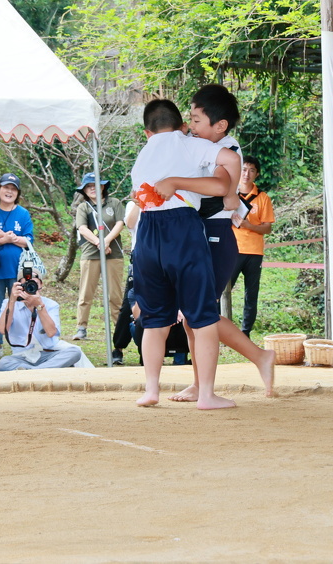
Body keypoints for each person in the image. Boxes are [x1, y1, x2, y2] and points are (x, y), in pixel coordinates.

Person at [166, 86, 276, 402]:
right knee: (192, 315)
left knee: (200, 314)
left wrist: (177, 183)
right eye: (190, 119)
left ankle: (258, 357)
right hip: (200, 234)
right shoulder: (200, 145)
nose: (191, 126)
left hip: (217, 236)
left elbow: (219, 185)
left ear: (220, 125)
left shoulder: (227, 149)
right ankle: (200, 384)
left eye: (196, 120)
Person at [130, 98, 241, 410]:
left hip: (146, 232)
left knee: (154, 318)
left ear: (147, 132)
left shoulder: (143, 154)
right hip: (183, 229)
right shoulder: (189, 143)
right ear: (180, 126)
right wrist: (231, 194)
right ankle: (206, 395)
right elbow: (232, 160)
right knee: (202, 317)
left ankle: (151, 390)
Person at [0, 172, 33, 358]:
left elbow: (28, 241)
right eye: (6, 187)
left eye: (13, 189)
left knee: (21, 307)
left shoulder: (23, 214)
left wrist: (12, 238)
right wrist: (3, 240)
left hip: (18, 270)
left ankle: (22, 344)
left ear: (17, 193)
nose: (9, 191)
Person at [73, 172, 126, 342]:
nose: (92, 188)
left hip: (113, 253)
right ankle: (81, 327)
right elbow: (82, 228)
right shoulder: (84, 207)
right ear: (84, 190)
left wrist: (107, 241)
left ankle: (119, 329)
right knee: (86, 292)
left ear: (102, 186)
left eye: (95, 185)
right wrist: (99, 243)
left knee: (115, 294)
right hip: (90, 253)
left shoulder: (114, 203)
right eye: (88, 186)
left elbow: (120, 223)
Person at [0, 271, 82, 370]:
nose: (30, 287)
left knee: (74, 352)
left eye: (34, 284)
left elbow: (51, 332)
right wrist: (12, 300)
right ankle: (43, 370)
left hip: (48, 353)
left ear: (41, 285)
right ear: (19, 286)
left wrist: (39, 306)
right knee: (3, 363)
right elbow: (2, 330)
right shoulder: (8, 303)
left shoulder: (51, 304)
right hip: (22, 356)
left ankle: (32, 371)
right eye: (26, 284)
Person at [230, 155, 275, 337]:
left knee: (251, 294)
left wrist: (248, 225)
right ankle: (219, 328)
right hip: (232, 250)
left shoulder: (263, 198)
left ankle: (245, 332)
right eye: (243, 169)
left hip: (254, 252)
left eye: (251, 170)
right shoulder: (229, 193)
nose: (246, 174)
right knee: (223, 291)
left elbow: (267, 228)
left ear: (257, 174)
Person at [110, 201, 141, 365]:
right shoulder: (133, 204)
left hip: (164, 255)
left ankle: (149, 349)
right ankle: (118, 347)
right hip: (140, 257)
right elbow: (130, 223)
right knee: (129, 305)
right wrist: (139, 201)